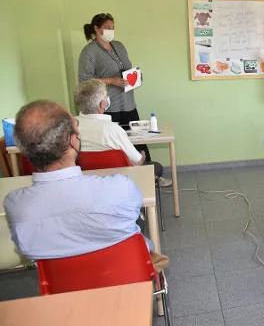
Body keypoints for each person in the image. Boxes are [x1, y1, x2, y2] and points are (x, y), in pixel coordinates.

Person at [3, 100, 159, 261]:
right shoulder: (120, 188)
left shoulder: (15, 205)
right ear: (73, 140)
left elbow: (27, 252)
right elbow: (133, 217)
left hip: (61, 284)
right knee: (148, 243)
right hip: (122, 276)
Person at [78, 13, 171, 187]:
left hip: (127, 102)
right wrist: (110, 81)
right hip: (107, 106)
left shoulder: (118, 46)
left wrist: (135, 76)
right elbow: (84, 81)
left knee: (139, 139)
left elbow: (127, 68)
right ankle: (121, 181)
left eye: (112, 27)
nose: (110, 31)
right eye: (106, 28)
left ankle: (152, 177)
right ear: (96, 29)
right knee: (114, 144)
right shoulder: (89, 52)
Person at [74, 79, 166, 180]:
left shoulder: (70, 126)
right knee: (157, 167)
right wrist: (142, 155)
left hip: (86, 179)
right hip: (120, 180)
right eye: (106, 96)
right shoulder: (113, 129)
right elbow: (137, 160)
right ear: (102, 104)